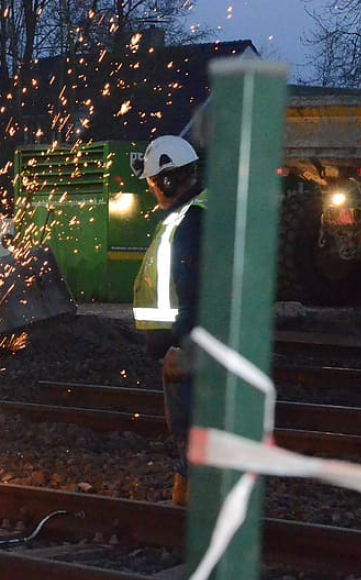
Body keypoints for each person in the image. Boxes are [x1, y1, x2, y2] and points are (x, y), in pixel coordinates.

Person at [132, 135, 206, 506]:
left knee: (190, 425)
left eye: (152, 183)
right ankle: (189, 497)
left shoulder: (191, 220)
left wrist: (182, 345)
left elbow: (192, 286)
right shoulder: (189, 214)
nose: (152, 192)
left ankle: (190, 504)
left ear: (169, 179)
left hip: (188, 346)